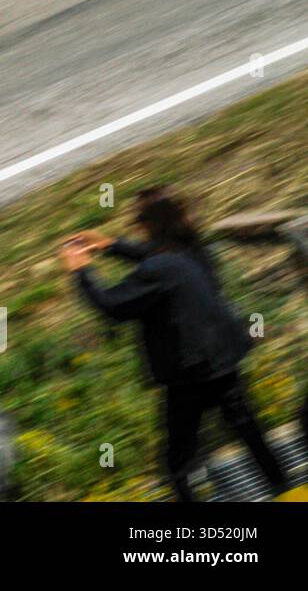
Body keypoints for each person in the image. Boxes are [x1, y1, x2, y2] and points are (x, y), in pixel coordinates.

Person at [61, 186, 290, 501]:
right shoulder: (194, 250)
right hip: (225, 360)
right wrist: (111, 246)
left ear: (146, 226)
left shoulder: (158, 268)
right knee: (250, 434)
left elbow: (112, 306)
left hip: (189, 376)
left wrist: (81, 270)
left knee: (178, 460)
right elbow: (160, 258)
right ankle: (284, 490)